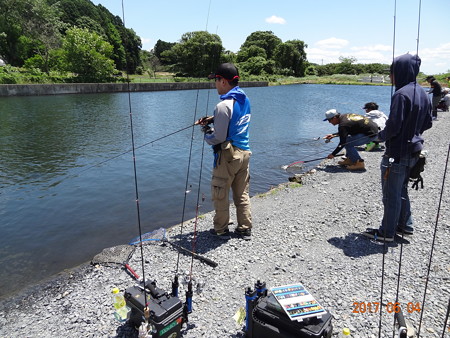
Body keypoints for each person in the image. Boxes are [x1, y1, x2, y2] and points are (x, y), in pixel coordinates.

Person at [362, 53, 432, 242]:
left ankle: (387, 232)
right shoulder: (423, 93)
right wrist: (413, 133)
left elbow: (393, 127)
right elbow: (428, 123)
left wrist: (379, 137)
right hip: (415, 152)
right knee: (401, 190)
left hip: (397, 154)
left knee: (391, 194)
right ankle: (405, 226)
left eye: (392, 73)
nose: (391, 77)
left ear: (399, 72)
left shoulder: (401, 94)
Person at [196, 63, 252, 240]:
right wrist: (213, 119)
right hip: (244, 153)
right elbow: (234, 119)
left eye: (216, 80)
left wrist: (206, 132)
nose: (215, 84)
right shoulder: (244, 99)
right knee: (241, 193)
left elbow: (218, 137)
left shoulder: (222, 106)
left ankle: (221, 229)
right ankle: (244, 228)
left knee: (220, 194)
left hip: (228, 156)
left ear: (223, 82)